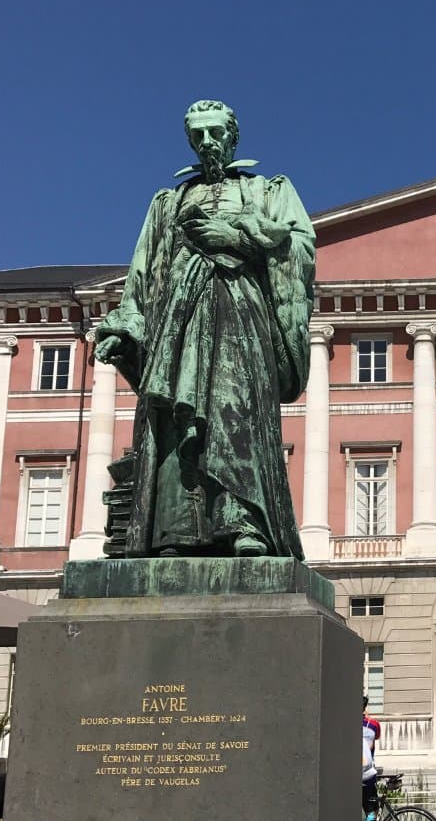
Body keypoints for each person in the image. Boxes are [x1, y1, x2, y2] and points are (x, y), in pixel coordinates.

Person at [94, 100, 315, 558]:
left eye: (215, 132)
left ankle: (245, 525)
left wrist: (237, 238)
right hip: (179, 319)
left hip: (240, 314)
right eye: (198, 135)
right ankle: (175, 531)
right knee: (175, 421)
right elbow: (143, 272)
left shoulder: (267, 190)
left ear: (233, 135)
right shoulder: (169, 201)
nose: (207, 142)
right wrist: (126, 325)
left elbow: (300, 246)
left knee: (236, 415)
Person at [362, 695, 381, 821]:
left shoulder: (345, 724)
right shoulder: (373, 724)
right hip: (368, 775)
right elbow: (376, 737)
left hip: (350, 776)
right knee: (371, 813)